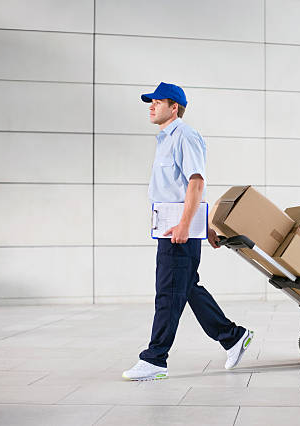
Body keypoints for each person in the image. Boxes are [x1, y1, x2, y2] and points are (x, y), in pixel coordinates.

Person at [123, 82, 254, 381]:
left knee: (168, 294)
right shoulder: (165, 140)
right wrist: (204, 226)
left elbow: (196, 182)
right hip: (173, 227)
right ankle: (233, 337)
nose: (151, 106)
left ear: (174, 107)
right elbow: (186, 186)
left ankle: (155, 359)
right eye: (150, 102)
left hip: (177, 229)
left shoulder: (185, 136)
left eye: (157, 101)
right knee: (187, 289)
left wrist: (185, 225)